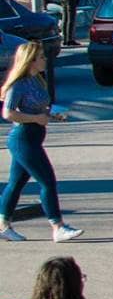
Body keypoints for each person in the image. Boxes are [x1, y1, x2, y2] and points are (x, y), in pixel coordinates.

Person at [0, 41, 80, 242]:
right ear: (31, 60)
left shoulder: (36, 80)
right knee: (47, 180)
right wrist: (36, 118)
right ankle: (58, 226)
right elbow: (8, 113)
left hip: (34, 136)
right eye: (42, 57)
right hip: (23, 138)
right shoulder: (18, 84)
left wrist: (52, 114)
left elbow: (38, 107)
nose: (45, 60)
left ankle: (3, 225)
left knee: (16, 184)